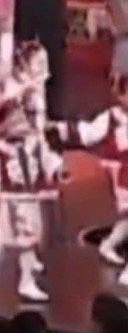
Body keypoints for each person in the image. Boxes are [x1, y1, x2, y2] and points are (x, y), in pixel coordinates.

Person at [0, 98, 64, 302]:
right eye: (14, 121)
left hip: (30, 198)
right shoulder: (2, 151)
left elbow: (47, 161)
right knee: (22, 240)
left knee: (17, 242)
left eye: (21, 119)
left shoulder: (35, 144)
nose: (20, 124)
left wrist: (56, 170)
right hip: (12, 201)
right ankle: (26, 282)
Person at [60, 74, 128, 282]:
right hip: (120, 173)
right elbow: (87, 134)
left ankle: (109, 245)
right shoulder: (111, 117)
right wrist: (62, 131)